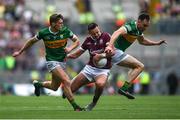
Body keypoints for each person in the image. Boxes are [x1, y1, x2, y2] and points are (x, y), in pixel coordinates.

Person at [12, 13, 83, 111]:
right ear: (53, 24)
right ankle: (76, 107)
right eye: (60, 23)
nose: (62, 25)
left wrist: (70, 48)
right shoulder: (44, 33)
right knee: (66, 80)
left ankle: (38, 84)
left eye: (62, 23)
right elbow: (31, 41)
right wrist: (20, 51)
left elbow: (77, 41)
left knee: (54, 87)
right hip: (51, 61)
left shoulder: (65, 31)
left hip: (62, 61)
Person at [105, 12, 167, 99]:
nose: (145, 28)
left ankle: (124, 88)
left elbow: (142, 41)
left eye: (147, 26)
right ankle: (124, 88)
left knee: (135, 67)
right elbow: (116, 32)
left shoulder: (138, 31)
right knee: (140, 66)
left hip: (116, 53)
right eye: (144, 25)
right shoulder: (130, 27)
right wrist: (110, 46)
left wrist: (156, 43)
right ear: (139, 21)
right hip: (115, 51)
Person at [65, 23, 112, 111]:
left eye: (97, 32)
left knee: (100, 84)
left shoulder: (106, 36)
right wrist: (67, 56)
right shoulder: (88, 40)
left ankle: (93, 103)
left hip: (103, 70)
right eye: (94, 33)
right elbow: (76, 54)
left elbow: (112, 52)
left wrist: (101, 56)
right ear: (89, 33)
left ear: (99, 29)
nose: (97, 34)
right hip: (90, 69)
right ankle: (81, 81)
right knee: (68, 91)